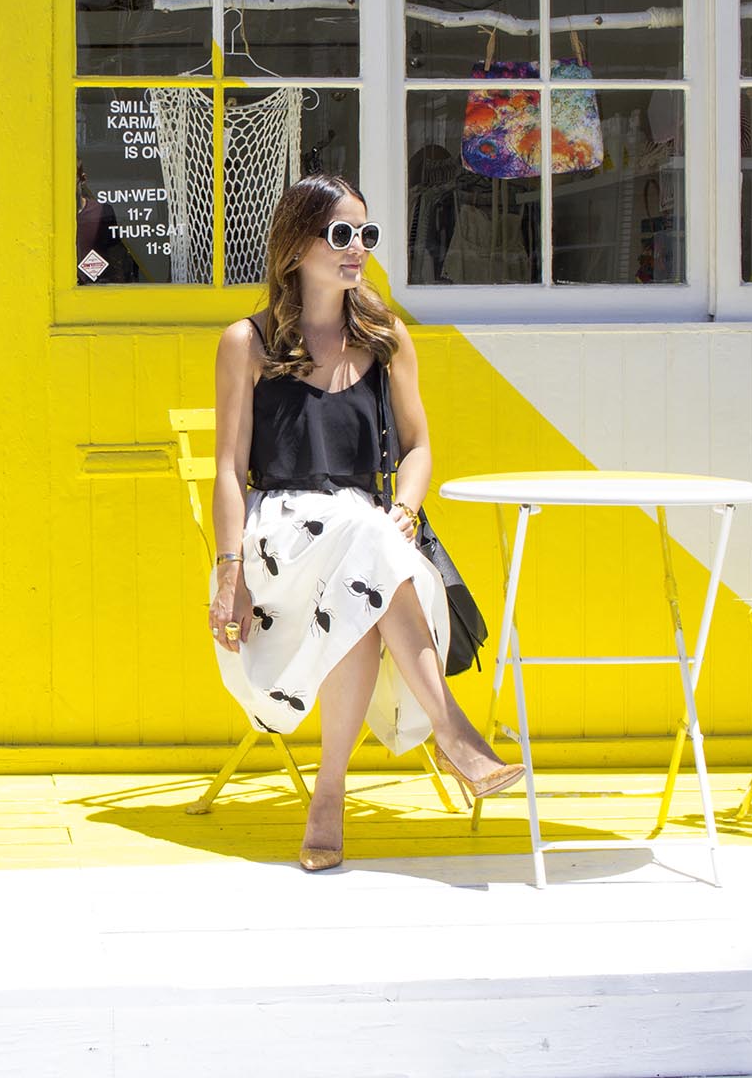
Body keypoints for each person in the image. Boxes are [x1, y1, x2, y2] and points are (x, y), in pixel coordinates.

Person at [210, 173, 523, 871]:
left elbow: (419, 449)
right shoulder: (249, 341)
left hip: (368, 544)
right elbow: (230, 470)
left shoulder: (385, 338)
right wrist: (227, 572)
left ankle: (327, 799)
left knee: (364, 570)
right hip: (283, 535)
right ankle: (453, 732)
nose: (359, 250)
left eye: (367, 235)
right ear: (297, 244)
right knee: (364, 544)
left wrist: (406, 508)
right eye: (342, 235)